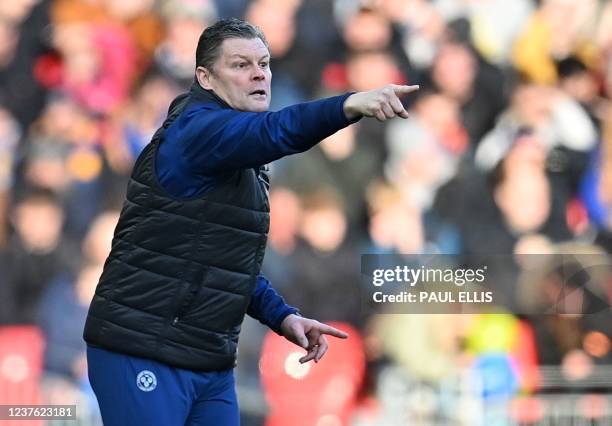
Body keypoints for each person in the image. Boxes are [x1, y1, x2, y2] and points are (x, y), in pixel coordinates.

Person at [83, 18, 419, 426]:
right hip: (141, 348)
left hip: (209, 358)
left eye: (264, 63)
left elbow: (226, 262)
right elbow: (279, 130)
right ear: (205, 78)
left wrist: (283, 316)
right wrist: (347, 105)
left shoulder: (241, 153)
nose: (259, 73)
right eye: (241, 65)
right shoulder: (196, 132)